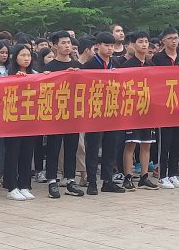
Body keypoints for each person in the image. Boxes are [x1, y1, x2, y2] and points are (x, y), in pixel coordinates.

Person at [42, 31, 84, 199]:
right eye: (63, 43)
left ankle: (70, 180)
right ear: (55, 46)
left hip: (73, 113)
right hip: (56, 114)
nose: (67, 46)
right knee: (53, 148)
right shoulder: (49, 67)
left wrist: (78, 75)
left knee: (72, 147)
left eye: (69, 43)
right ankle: (52, 180)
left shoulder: (77, 66)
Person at [80, 32, 124, 195]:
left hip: (112, 110)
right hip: (95, 111)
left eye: (112, 46)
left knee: (110, 147)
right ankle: (92, 181)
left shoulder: (116, 63)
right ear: (97, 46)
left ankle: (107, 181)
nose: (110, 49)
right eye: (107, 45)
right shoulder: (90, 65)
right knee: (93, 148)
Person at [118, 31, 158, 190]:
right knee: (131, 144)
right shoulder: (127, 65)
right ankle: (128, 176)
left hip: (148, 110)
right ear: (133, 45)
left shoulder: (151, 65)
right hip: (132, 110)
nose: (144, 44)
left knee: (146, 144)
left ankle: (144, 176)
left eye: (146, 41)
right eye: (140, 42)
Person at [151, 28, 179, 189]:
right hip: (164, 106)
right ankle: (162, 175)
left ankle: (173, 174)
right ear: (163, 41)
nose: (174, 41)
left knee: (178, 142)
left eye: (176, 38)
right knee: (164, 143)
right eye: (170, 38)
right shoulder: (158, 58)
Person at [3, 44, 38, 200]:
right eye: (23, 55)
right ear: (15, 57)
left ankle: (24, 185)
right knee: (12, 153)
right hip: (12, 120)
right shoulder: (7, 74)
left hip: (30, 119)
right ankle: (11, 187)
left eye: (28, 55)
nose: (26, 58)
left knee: (27, 153)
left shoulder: (35, 74)